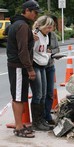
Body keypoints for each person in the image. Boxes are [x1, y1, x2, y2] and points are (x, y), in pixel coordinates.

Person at [6, 0, 41, 138]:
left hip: (16, 66)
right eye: (35, 12)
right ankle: (19, 127)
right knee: (19, 97)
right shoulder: (22, 26)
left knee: (19, 96)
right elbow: (23, 51)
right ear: (27, 10)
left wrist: (29, 37)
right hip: (19, 67)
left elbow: (15, 38)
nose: (36, 15)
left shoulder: (18, 24)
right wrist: (30, 69)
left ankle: (19, 125)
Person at [30, 15, 54, 131]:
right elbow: (30, 51)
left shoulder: (46, 36)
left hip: (43, 65)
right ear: (41, 26)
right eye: (47, 27)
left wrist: (48, 53)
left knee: (43, 95)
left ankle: (41, 120)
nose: (49, 30)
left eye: (51, 27)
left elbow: (43, 50)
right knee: (38, 94)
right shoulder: (35, 35)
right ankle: (36, 122)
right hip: (35, 65)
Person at [44, 15, 60, 125]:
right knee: (40, 94)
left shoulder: (53, 35)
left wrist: (51, 51)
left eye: (53, 26)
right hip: (40, 66)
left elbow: (57, 48)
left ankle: (47, 115)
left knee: (50, 92)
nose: (52, 28)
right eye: (50, 26)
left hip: (50, 65)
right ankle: (40, 117)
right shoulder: (38, 35)